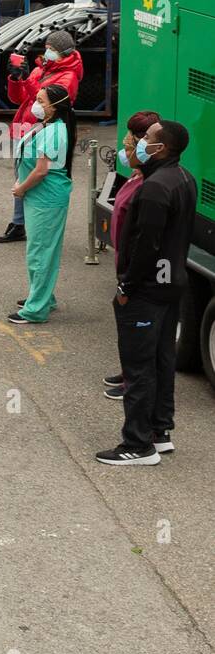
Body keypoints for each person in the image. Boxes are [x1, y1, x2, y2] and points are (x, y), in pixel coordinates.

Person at [97, 119, 197, 466]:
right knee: (161, 360)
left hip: (147, 290)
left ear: (162, 147)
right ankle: (159, 431)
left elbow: (145, 244)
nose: (141, 142)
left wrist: (126, 285)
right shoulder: (184, 178)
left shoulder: (155, 188)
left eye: (148, 139)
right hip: (171, 285)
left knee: (138, 367)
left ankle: (137, 445)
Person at [0, 29, 83, 244]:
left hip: (41, 131)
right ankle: (19, 222)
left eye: (52, 49)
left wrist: (27, 80)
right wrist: (15, 79)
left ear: (64, 52)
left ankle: (21, 223)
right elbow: (17, 99)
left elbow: (47, 102)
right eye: (47, 47)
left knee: (33, 176)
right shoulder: (40, 69)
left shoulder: (68, 76)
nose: (47, 52)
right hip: (23, 128)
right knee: (21, 174)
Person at [102, 111, 160, 401]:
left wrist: (128, 280)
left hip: (133, 271)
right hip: (123, 263)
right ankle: (128, 372)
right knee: (127, 329)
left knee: (138, 331)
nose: (126, 153)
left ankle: (133, 381)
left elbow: (144, 238)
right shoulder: (137, 177)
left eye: (130, 147)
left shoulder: (150, 188)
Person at [8, 83, 75, 325]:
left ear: (55, 107)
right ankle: (43, 297)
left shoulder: (54, 132)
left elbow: (41, 171)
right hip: (41, 198)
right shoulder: (49, 126)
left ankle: (36, 309)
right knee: (41, 251)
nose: (36, 104)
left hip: (44, 198)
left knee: (40, 253)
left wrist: (21, 188)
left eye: (41, 101)